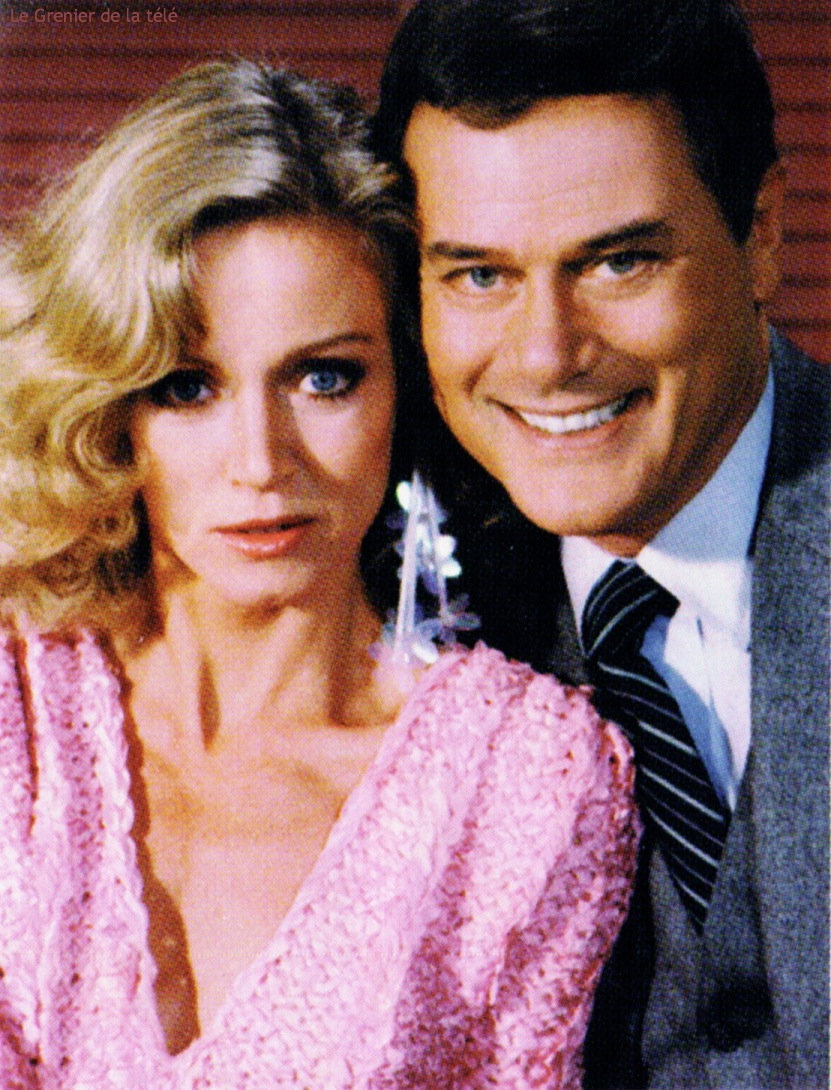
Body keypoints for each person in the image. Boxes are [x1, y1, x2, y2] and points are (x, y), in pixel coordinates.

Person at [0, 59, 639, 1088]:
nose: (262, 460)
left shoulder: (520, 783)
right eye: (187, 386)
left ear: (408, 387)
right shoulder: (17, 713)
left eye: (324, 377)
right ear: (107, 404)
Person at [373, 1, 830, 1087]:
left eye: (620, 263)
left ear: (762, 233)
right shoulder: (383, 593)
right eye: (478, 275)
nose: (547, 354)